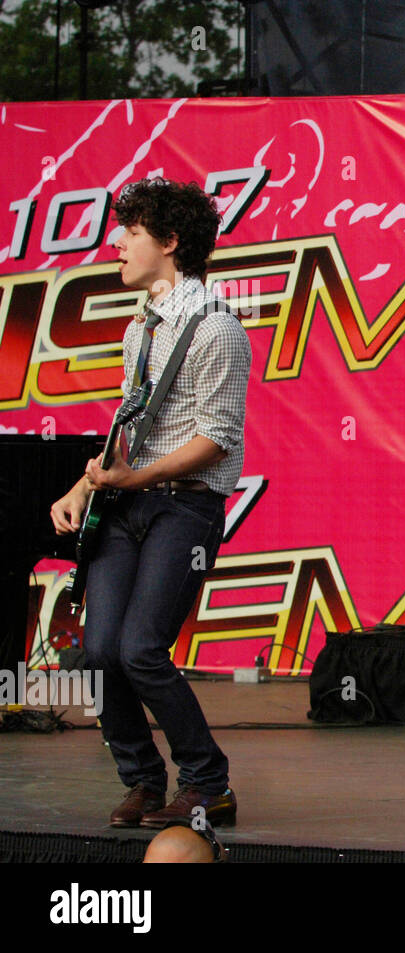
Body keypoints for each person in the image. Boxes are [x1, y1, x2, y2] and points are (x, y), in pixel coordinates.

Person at [50, 178, 250, 830]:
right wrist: (87, 485)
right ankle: (142, 777)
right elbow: (130, 422)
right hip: (128, 504)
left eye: (132, 231)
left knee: (141, 647)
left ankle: (208, 781)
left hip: (183, 509)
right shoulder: (143, 327)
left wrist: (136, 479)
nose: (118, 243)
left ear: (169, 242)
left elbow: (216, 441)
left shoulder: (217, 327)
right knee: (101, 651)